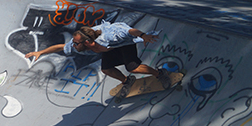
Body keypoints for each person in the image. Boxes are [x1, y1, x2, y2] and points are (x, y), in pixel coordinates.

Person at [25, 23, 171, 95]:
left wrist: (143, 35)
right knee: (106, 69)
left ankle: (160, 74)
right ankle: (127, 81)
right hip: (110, 50)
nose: (73, 46)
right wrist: (40, 52)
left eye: (76, 43)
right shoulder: (80, 44)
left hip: (122, 44)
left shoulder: (109, 36)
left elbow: (129, 31)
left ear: (87, 42)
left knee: (133, 67)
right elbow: (59, 47)